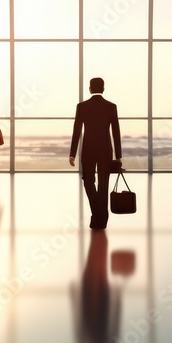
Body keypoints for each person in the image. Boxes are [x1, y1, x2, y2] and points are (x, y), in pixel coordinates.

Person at [69, 77, 122, 230]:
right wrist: (118, 155)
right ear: (103, 88)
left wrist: (72, 153)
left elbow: (76, 131)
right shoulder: (111, 106)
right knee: (103, 184)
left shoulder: (82, 106)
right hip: (105, 150)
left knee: (88, 181)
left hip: (88, 150)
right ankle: (101, 217)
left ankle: (97, 216)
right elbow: (116, 132)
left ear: (90, 89)